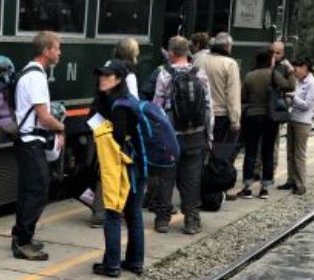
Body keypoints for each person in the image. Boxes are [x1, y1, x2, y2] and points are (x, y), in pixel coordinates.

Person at [11, 31, 65, 261]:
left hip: (28, 141)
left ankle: (22, 236)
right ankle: (22, 242)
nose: (60, 52)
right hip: (30, 141)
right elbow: (43, 117)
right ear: (46, 51)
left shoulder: (32, 72)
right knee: (38, 190)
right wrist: (60, 127)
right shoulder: (36, 77)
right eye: (57, 47)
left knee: (28, 190)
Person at [90, 59, 146, 277]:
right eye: (101, 75)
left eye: (108, 75)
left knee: (113, 213)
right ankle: (134, 261)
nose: (102, 79)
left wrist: (97, 120)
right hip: (138, 165)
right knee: (133, 213)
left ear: (119, 79)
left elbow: (118, 138)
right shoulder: (125, 100)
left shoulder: (119, 105)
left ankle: (112, 266)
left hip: (125, 167)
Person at [152, 36, 213, 235]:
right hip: (195, 134)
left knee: (166, 177)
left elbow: (156, 107)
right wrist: (209, 135)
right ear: (188, 52)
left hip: (171, 134)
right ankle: (191, 220)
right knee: (192, 177)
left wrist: (156, 134)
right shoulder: (200, 73)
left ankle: (162, 219)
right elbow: (208, 107)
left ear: (170, 53)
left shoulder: (164, 74)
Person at [89, 38, 142, 227]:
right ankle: (112, 210)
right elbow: (133, 104)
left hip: (99, 122)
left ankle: (99, 210)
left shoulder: (106, 67)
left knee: (103, 166)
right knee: (117, 169)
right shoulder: (127, 74)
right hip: (117, 126)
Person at [237, 51, 296, 199]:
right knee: (267, 151)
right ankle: (264, 188)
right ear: (269, 61)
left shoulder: (250, 75)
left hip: (252, 117)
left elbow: (243, 97)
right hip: (270, 117)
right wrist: (290, 71)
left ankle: (248, 187)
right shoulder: (273, 74)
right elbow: (290, 86)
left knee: (251, 152)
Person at [278, 57, 314, 195]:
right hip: (293, 119)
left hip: (303, 122)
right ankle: (291, 180)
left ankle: (301, 184)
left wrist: (293, 98)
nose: (295, 72)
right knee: (290, 153)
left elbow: (307, 105)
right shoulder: (299, 82)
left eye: (296, 69)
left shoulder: (313, 84)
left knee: (299, 154)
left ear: (305, 68)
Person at [254, 41, 296, 178]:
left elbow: (290, 86)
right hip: (262, 108)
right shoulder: (263, 66)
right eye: (272, 52)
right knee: (259, 141)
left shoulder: (283, 68)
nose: (274, 55)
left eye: (278, 53)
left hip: (274, 110)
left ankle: (271, 169)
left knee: (273, 142)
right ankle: (257, 169)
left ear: (283, 53)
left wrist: (290, 71)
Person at [194, 32, 241, 154]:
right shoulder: (230, 64)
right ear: (227, 46)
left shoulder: (199, 59)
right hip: (220, 115)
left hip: (200, 112)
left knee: (201, 150)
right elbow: (232, 95)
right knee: (219, 153)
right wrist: (235, 121)